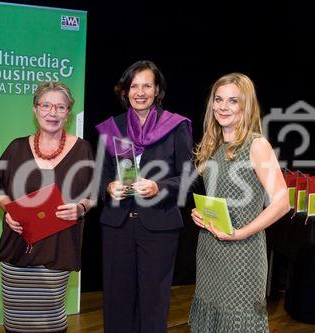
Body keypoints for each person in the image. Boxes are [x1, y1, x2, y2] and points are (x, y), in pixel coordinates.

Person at [96, 60, 194, 333]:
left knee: (154, 300)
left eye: (147, 85)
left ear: (157, 90)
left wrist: (158, 187)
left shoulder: (176, 126)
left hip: (160, 226)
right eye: (134, 86)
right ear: (125, 91)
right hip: (118, 225)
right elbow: (99, 174)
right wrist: (108, 187)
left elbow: (189, 177)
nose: (140, 92)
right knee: (117, 299)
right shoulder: (111, 128)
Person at [189, 73, 290, 332]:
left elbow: (282, 202)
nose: (223, 107)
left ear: (245, 106)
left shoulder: (256, 145)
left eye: (233, 101)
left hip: (243, 253)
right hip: (209, 249)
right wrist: (200, 214)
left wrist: (239, 233)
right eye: (218, 99)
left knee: (238, 322)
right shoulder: (212, 144)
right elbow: (218, 197)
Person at [0, 81, 94, 333]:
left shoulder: (83, 149)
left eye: (60, 107)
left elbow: (92, 195)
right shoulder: (16, 148)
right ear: (35, 109)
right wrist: (9, 211)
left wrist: (80, 208)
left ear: (68, 112)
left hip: (57, 249)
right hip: (17, 249)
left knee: (51, 320)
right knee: (16, 321)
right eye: (46, 105)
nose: (53, 112)